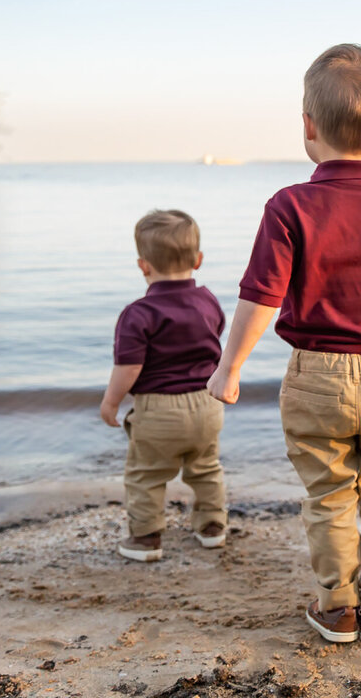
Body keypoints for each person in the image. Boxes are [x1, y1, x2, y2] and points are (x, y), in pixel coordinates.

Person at [207, 43, 361, 644]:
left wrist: (230, 366)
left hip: (315, 375)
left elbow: (261, 296)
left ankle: (336, 607)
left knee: (328, 494)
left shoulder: (290, 205)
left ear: (308, 127)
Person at [100, 209, 227, 562]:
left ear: (143, 265)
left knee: (146, 475)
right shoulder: (209, 301)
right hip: (206, 403)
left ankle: (144, 539)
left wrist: (111, 403)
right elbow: (213, 343)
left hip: (159, 411)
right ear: (198, 260)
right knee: (206, 468)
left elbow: (129, 367)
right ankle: (212, 527)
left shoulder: (138, 314)